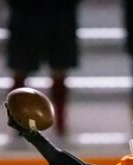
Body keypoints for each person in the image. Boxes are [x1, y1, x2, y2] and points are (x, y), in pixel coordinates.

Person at [5, 0, 80, 136]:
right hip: (28, 14)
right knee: (21, 69)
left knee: (59, 70)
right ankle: (18, 122)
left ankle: (60, 124)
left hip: (58, 14)